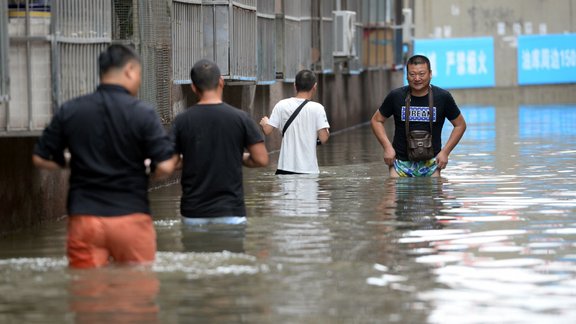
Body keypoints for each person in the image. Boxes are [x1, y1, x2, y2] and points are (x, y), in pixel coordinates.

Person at [32, 44, 177, 268]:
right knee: (136, 295)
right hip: (130, 217)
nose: (139, 81)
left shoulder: (71, 110)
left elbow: (40, 158)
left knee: (88, 294)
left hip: (85, 218)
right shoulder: (143, 113)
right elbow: (167, 166)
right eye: (139, 74)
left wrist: (73, 161)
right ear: (129, 70)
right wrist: (149, 171)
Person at [172, 59, 268, 225]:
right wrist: (234, 156)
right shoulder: (240, 118)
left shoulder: (181, 121)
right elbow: (261, 159)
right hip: (231, 212)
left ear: (193, 87)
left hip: (193, 214)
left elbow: (170, 163)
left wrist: (196, 157)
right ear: (221, 82)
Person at [370, 55, 466, 177]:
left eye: (421, 74)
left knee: (436, 195)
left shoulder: (443, 97)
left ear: (430, 74)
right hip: (400, 162)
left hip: (432, 163)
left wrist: (445, 152)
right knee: (392, 194)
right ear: (407, 75)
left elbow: (460, 125)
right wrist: (387, 147)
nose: (417, 78)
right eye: (412, 74)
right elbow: (376, 120)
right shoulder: (396, 96)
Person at [260, 69, 330, 174]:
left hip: (285, 168)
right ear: (314, 87)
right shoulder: (318, 108)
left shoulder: (281, 105)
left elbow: (267, 130)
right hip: (309, 170)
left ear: (295, 85)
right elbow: (324, 138)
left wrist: (264, 122)